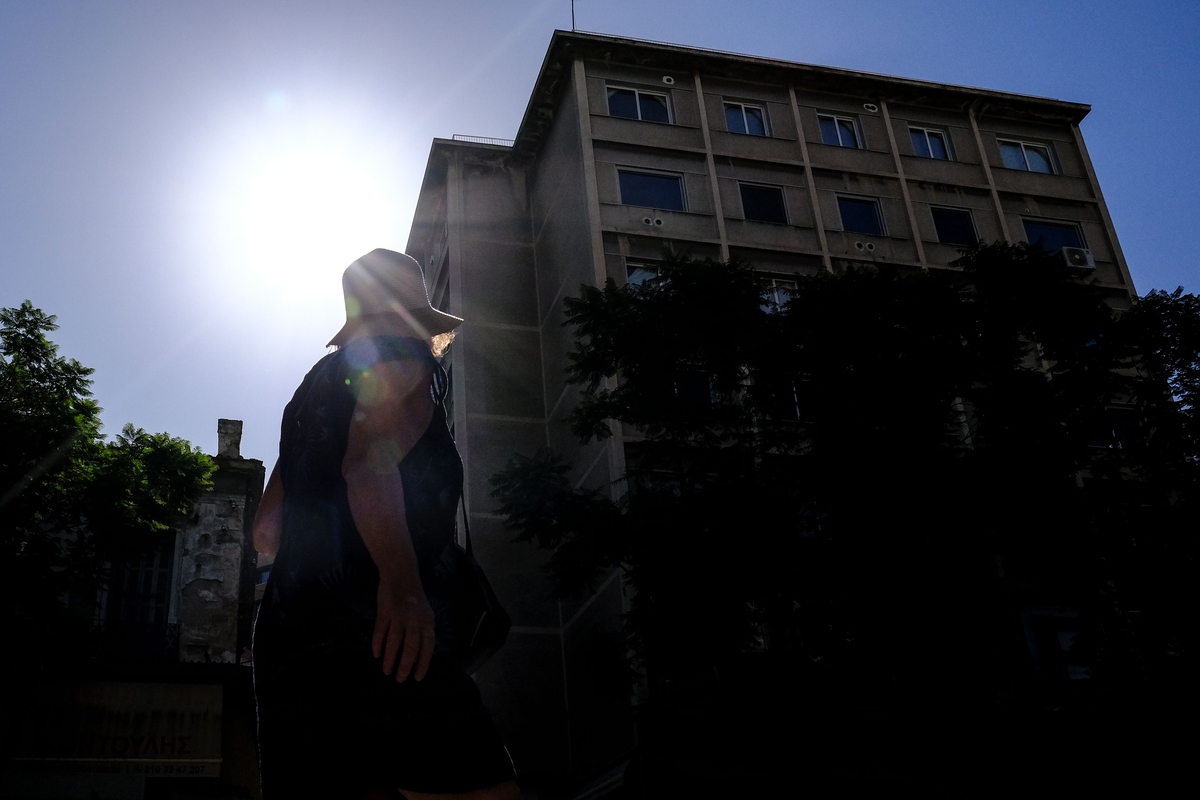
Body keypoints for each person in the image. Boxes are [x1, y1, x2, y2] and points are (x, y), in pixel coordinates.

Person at [252, 249, 520, 800]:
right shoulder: (403, 356)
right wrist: (402, 585)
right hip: (380, 626)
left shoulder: (308, 394)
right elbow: (369, 465)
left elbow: (265, 532)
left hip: (287, 636)